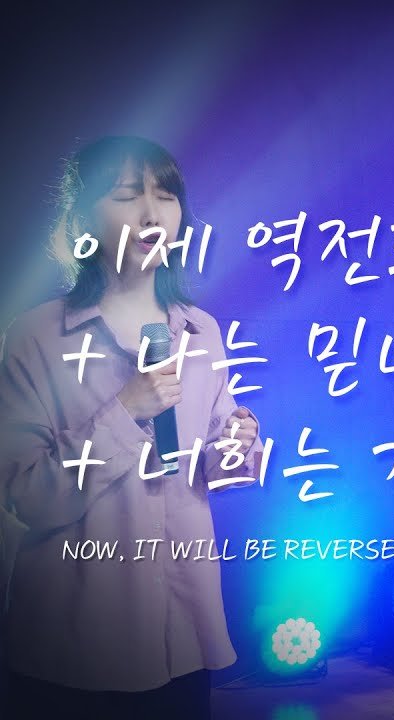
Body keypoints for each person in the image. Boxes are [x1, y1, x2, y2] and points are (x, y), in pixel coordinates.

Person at [0, 136, 262, 719]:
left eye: (165, 196)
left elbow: (214, 468)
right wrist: (125, 410)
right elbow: (25, 496)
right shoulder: (36, 336)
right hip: (76, 649)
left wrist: (237, 444)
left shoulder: (202, 330)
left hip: (185, 635)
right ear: (80, 220)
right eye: (125, 196)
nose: (151, 214)